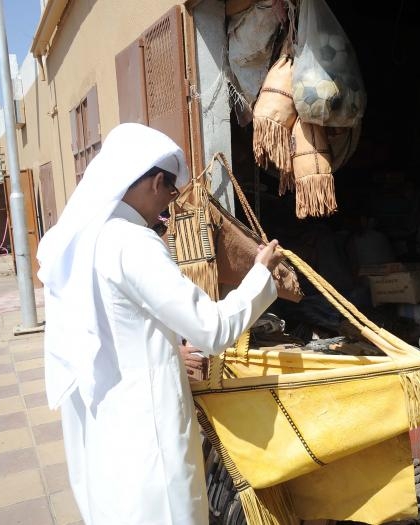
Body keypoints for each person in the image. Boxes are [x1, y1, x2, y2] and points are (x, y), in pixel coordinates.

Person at [36, 123, 285, 525]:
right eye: (170, 192)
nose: (169, 205)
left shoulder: (80, 240)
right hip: (146, 435)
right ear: (155, 182)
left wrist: (172, 349)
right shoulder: (131, 243)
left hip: (107, 432)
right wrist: (260, 275)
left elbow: (112, 330)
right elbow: (213, 328)